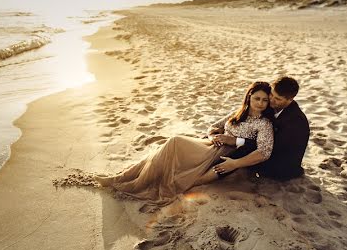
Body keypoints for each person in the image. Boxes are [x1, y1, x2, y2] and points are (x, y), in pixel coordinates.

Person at [96, 81, 274, 201]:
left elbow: (263, 151)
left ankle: (128, 180)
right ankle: (121, 177)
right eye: (257, 98)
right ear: (249, 96)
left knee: (174, 142)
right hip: (209, 145)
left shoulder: (264, 124)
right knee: (168, 148)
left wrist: (234, 140)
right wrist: (213, 136)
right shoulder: (238, 112)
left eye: (265, 100)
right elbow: (213, 126)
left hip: (219, 155)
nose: (260, 103)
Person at [236, 76, 309, 180]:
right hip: (269, 154)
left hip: (280, 168)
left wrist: (237, 141)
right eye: (271, 94)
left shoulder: (295, 122)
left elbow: (268, 146)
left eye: (278, 99)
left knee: (236, 150)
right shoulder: (274, 106)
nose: (271, 100)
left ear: (290, 99)